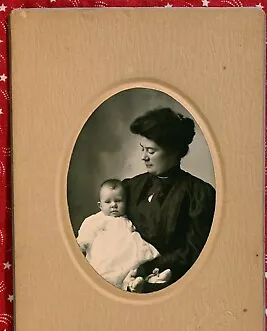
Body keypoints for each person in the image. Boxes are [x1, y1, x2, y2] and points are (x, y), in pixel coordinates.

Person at [122, 107, 216, 293]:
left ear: (173, 151)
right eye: (142, 149)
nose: (144, 157)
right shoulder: (131, 187)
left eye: (151, 150)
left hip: (174, 286)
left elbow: (194, 252)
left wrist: (146, 269)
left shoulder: (199, 194)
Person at [76, 179, 172, 291]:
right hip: (107, 255)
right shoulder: (97, 219)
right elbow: (86, 234)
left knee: (137, 264)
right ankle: (134, 282)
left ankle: (145, 280)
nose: (114, 205)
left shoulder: (127, 219)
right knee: (108, 270)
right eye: (108, 202)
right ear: (100, 205)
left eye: (118, 201)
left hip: (127, 254)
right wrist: (81, 245)